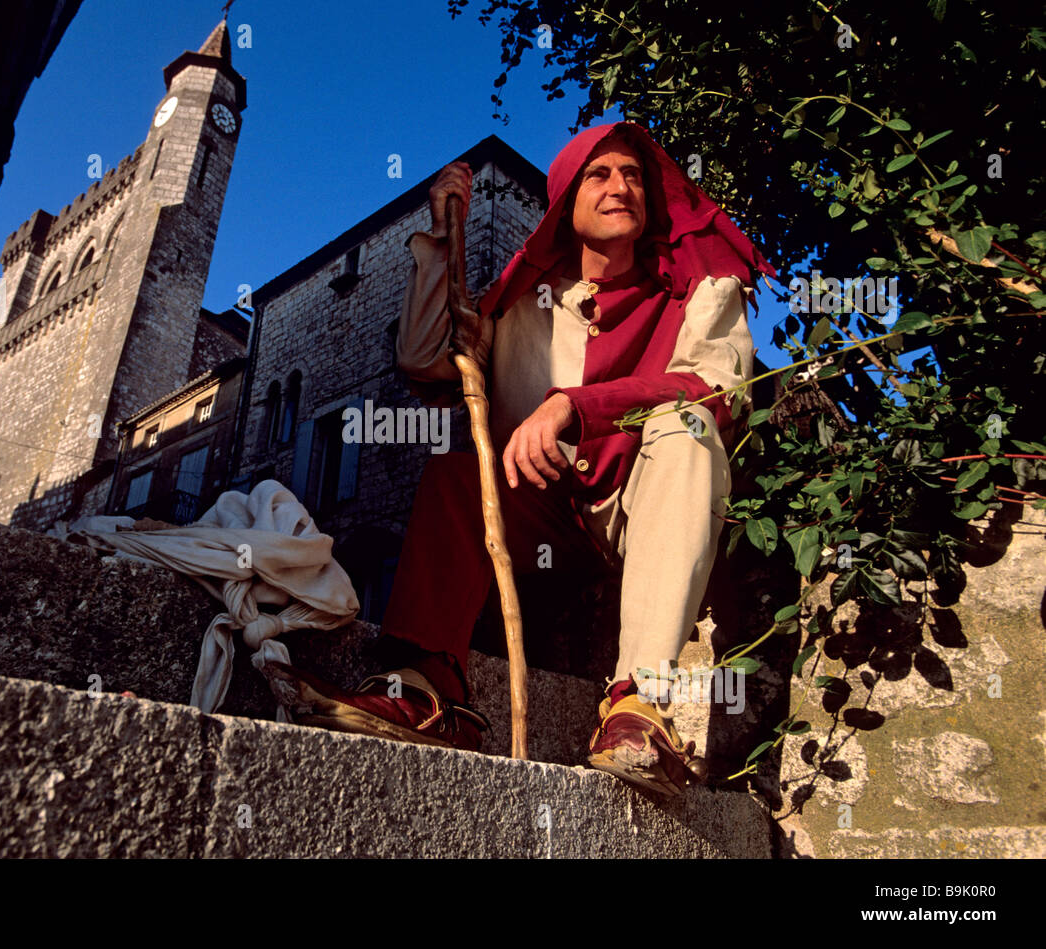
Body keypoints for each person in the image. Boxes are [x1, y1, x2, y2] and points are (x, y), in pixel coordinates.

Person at [269, 122, 775, 796]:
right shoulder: (524, 300)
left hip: (641, 509)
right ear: (566, 200)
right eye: (599, 175)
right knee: (459, 462)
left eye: (632, 175)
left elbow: (717, 390)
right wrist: (442, 241)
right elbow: (425, 359)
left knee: (685, 426)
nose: (620, 185)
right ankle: (429, 690)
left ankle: (637, 706)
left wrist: (575, 405)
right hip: (538, 527)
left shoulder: (699, 290)